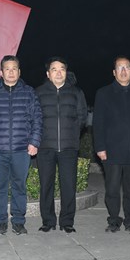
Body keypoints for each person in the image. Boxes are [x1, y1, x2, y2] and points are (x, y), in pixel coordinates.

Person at [0, 55, 42, 235]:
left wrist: (34, 142)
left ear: (19, 71)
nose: (11, 72)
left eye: (14, 68)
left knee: (19, 187)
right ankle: (0, 222)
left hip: (22, 150)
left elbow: (37, 119)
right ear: (1, 72)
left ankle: (18, 221)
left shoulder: (29, 93)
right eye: (7, 69)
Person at [93, 56, 130, 234]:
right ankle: (113, 220)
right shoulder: (103, 93)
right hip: (111, 151)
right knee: (112, 188)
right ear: (114, 72)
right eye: (120, 68)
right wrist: (100, 147)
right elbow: (98, 123)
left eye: (126, 67)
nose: (123, 71)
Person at [35, 57, 87, 234]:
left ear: (66, 72)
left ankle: (67, 221)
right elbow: (34, 118)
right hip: (45, 147)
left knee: (68, 186)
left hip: (68, 148)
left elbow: (82, 117)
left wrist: (71, 135)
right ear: (48, 74)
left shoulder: (76, 92)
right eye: (54, 69)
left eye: (62, 69)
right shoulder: (39, 92)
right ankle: (48, 221)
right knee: (46, 186)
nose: (58, 73)